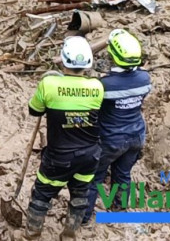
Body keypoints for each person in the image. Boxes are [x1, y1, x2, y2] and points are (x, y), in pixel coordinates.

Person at [23, 36, 104, 239]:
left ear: (63, 59)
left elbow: (34, 111)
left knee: (42, 194)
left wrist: (49, 83)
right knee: (80, 195)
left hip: (59, 156)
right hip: (89, 156)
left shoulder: (49, 84)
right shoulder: (97, 86)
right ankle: (69, 235)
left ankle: (32, 234)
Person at [83, 29, 152, 224]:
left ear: (113, 55)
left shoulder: (104, 85)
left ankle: (84, 219)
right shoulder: (145, 79)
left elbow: (92, 109)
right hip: (136, 135)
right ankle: (119, 211)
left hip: (111, 138)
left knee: (95, 178)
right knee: (122, 173)